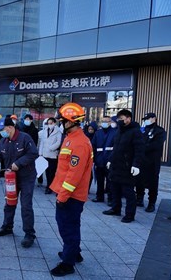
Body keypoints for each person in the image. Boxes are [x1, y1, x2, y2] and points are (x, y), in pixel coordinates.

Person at [0, 117, 38, 248]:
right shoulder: (3, 142)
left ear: (10, 127)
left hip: (27, 177)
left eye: (2, 129)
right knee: (9, 202)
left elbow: (33, 153)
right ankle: (7, 227)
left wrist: (18, 163)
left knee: (26, 205)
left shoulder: (25, 138)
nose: (1, 133)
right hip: (12, 178)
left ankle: (29, 234)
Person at [49, 103, 93, 277]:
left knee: (67, 227)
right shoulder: (71, 137)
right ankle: (75, 252)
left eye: (62, 120)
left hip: (71, 196)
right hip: (69, 194)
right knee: (72, 225)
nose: (60, 123)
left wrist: (63, 196)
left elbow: (74, 175)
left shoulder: (79, 143)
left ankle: (67, 264)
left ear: (71, 122)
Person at [103, 109, 144, 223]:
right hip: (116, 165)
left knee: (128, 192)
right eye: (118, 118)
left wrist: (136, 165)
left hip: (127, 167)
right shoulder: (119, 131)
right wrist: (110, 160)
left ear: (128, 119)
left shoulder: (135, 132)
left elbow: (139, 150)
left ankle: (130, 214)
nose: (119, 120)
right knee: (114, 189)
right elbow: (115, 148)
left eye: (122, 118)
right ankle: (116, 209)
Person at [136, 112, 166, 212]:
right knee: (139, 181)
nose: (146, 121)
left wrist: (142, 147)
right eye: (145, 119)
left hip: (153, 162)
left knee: (152, 183)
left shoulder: (159, 131)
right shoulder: (142, 130)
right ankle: (139, 199)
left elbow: (156, 145)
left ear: (154, 119)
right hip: (141, 161)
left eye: (148, 119)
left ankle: (151, 203)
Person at [91, 116, 116, 204]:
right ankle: (99, 196)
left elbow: (115, 148)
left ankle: (110, 199)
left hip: (110, 161)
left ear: (110, 123)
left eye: (107, 121)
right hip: (99, 160)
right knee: (100, 180)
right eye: (103, 121)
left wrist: (112, 160)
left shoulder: (114, 133)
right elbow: (93, 146)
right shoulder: (98, 133)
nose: (104, 123)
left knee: (110, 181)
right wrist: (94, 159)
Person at [38, 117, 62, 194]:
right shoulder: (45, 131)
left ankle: (50, 186)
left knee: (52, 171)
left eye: (51, 123)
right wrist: (40, 153)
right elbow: (42, 142)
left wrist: (51, 148)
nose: (49, 125)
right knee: (47, 171)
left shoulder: (58, 132)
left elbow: (58, 142)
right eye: (48, 123)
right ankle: (49, 185)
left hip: (53, 154)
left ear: (55, 123)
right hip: (45, 154)